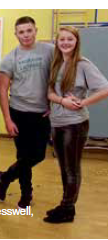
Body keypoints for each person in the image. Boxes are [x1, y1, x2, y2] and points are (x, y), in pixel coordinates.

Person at [44, 26, 108, 223]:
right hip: (57, 122)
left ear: (76, 41)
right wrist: (62, 101)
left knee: (72, 169)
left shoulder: (83, 64)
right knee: (64, 168)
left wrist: (83, 102)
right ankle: (66, 206)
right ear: (57, 42)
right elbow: (50, 94)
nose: (65, 42)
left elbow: (105, 88)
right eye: (62, 39)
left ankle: (67, 208)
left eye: (69, 39)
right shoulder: (56, 63)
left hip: (75, 124)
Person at [0, 16, 54, 209]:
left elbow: (61, 77)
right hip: (18, 113)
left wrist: (55, 103)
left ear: (35, 31)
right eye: (21, 32)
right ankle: (26, 195)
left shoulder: (50, 51)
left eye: (29, 30)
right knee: (24, 155)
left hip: (42, 114)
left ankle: (4, 177)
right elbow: (2, 90)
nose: (26, 35)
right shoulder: (10, 58)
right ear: (16, 34)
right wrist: (7, 118)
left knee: (37, 155)